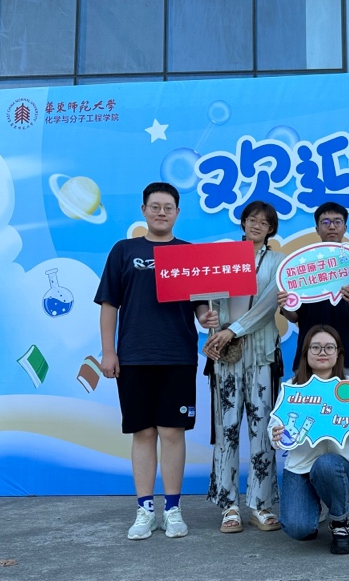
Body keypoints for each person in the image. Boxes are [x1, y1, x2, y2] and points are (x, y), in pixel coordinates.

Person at [95, 182, 218, 540]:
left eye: (168, 207)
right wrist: (108, 351)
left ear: (177, 213)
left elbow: (199, 304)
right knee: (144, 432)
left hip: (178, 356)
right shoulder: (124, 250)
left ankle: (173, 509)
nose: (161, 212)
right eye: (155, 206)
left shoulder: (188, 253)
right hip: (134, 358)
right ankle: (145, 509)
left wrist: (206, 317)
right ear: (144, 210)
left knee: (172, 432)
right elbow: (109, 304)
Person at [277, 201, 349, 527]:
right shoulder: (302, 268)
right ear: (317, 228)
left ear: (346, 227)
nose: (332, 226)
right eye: (326, 221)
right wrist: (285, 304)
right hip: (308, 361)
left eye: (337, 221)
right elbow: (294, 316)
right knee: (307, 428)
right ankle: (312, 498)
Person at [203, 201, 285, 533]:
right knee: (226, 428)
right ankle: (229, 505)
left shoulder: (278, 262)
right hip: (224, 354)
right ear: (243, 222)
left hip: (261, 353)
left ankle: (260, 505)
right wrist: (210, 323)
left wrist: (232, 330)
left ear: (271, 228)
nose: (256, 225)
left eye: (264, 222)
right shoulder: (222, 257)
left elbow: (268, 306)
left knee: (262, 427)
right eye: (252, 219)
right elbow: (208, 298)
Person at [270, 326, 349, 555]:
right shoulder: (292, 388)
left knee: (326, 464)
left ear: (338, 353)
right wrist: (275, 434)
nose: (322, 352)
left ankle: (340, 521)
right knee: (299, 529)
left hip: (338, 467)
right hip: (300, 468)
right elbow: (275, 427)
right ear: (306, 353)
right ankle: (312, 503)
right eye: (315, 347)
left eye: (329, 347)